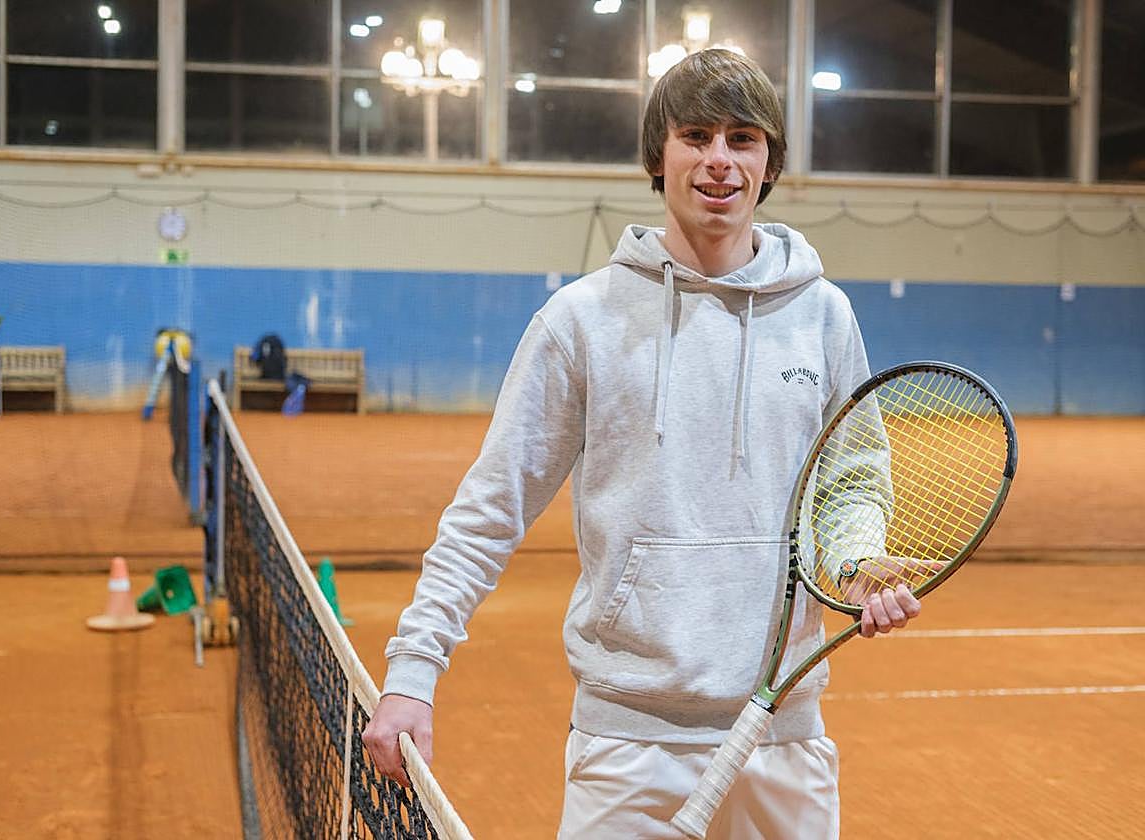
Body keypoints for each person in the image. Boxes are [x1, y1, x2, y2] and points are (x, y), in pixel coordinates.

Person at [363, 49, 926, 839]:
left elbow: (853, 480)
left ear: (770, 163)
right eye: (696, 136)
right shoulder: (580, 321)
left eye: (743, 138)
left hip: (783, 731)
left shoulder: (823, 315)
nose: (719, 160)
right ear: (657, 157)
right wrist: (412, 670)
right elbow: (492, 507)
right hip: (628, 742)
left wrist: (857, 563)